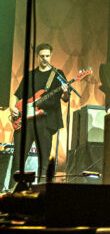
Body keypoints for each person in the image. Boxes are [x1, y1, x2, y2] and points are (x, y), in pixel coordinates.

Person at [9, 43, 69, 189]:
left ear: (51, 56)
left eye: (47, 56)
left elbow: (65, 98)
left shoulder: (57, 74)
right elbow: (16, 95)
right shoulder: (30, 75)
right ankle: (12, 190)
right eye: (42, 56)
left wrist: (65, 91)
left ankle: (43, 191)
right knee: (18, 158)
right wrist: (12, 107)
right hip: (26, 122)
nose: (44, 59)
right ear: (37, 57)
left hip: (46, 121)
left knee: (44, 160)